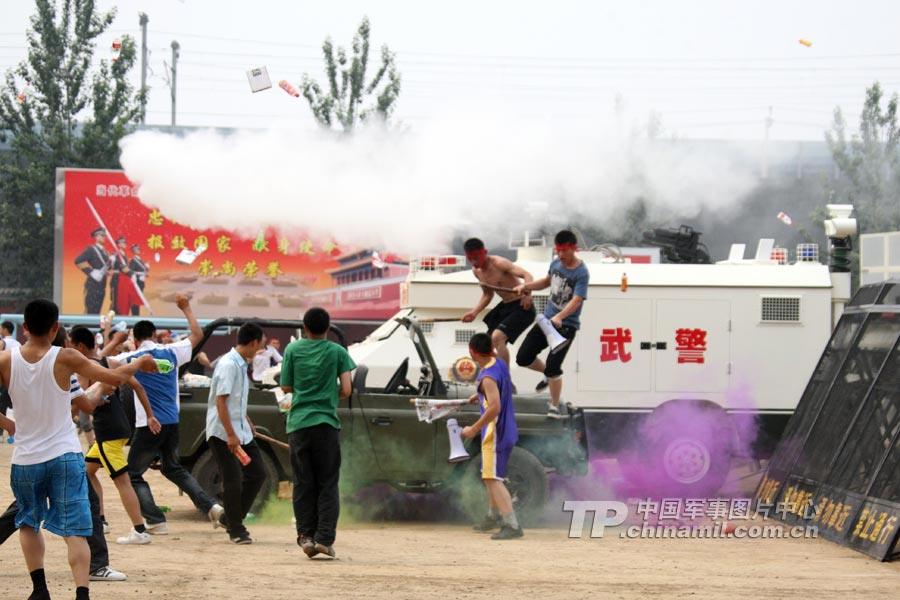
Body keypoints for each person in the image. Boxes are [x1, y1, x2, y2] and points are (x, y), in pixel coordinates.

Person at [0, 300, 156, 599]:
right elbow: (116, 378)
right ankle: (81, 593)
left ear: (25, 327)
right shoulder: (66, 357)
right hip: (64, 456)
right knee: (75, 530)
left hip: (26, 459)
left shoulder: (5, 360)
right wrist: (139, 362)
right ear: (55, 327)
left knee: (29, 524)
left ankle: (40, 589)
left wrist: (9, 424)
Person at [115, 295, 224, 534]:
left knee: (132, 474)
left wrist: (116, 342)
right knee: (173, 468)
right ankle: (211, 506)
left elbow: (105, 363)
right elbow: (198, 334)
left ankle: (155, 519)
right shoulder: (172, 351)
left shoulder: (131, 358)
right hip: (172, 422)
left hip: (149, 424)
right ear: (154, 335)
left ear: (135, 339)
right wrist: (186, 308)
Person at [69, 326, 160, 546]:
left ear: (79, 346)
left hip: (107, 431)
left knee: (122, 481)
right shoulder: (109, 363)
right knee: (87, 471)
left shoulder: (84, 369)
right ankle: (101, 520)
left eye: (71, 345)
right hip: (118, 427)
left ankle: (140, 530)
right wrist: (150, 415)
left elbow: (80, 400)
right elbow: (138, 387)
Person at [281, 307, 355, 559]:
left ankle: (306, 537)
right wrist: (329, 394)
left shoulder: (292, 350)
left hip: (299, 425)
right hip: (326, 425)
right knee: (327, 483)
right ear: (328, 327)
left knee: (303, 483)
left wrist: (305, 390)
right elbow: (347, 389)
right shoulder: (338, 352)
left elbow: (286, 385)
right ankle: (324, 538)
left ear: (305, 327)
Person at [514, 230, 590, 419]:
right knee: (523, 357)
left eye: (565, 251)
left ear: (574, 249)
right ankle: (547, 375)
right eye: (558, 250)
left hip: (566, 326)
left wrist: (560, 316)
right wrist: (526, 286)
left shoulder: (581, 272)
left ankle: (554, 405)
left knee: (554, 367)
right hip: (546, 320)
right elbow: (546, 282)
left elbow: (577, 300)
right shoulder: (556, 263)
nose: (561, 255)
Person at [206, 323, 268, 544]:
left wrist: (246, 419)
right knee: (232, 481)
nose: (261, 349)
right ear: (253, 342)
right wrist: (231, 435)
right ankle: (236, 530)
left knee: (257, 473)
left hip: (241, 430)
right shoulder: (228, 364)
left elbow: (236, 399)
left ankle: (228, 518)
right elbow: (221, 401)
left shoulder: (241, 363)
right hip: (223, 433)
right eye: (261, 345)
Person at [460, 332, 523, 540]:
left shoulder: (487, 377)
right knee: (489, 476)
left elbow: (494, 407)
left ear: (472, 352)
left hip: (495, 432)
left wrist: (473, 429)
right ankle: (493, 516)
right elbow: (496, 390)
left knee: (493, 478)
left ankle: (512, 525)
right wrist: (479, 395)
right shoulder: (499, 363)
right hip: (506, 428)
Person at [461, 238, 535, 368]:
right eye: (470, 259)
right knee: (483, 347)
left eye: (476, 258)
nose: (474, 262)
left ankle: (504, 376)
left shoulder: (499, 263)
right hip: (506, 306)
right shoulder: (476, 271)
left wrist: (527, 293)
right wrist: (474, 313)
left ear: (485, 252)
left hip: (522, 306)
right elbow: (487, 294)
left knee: (497, 337)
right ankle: (497, 371)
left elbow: (527, 275)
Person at [74, 228, 112, 314]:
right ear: (96, 236)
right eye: (102, 235)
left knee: (98, 310)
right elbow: (78, 261)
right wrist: (91, 272)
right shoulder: (91, 249)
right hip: (92, 284)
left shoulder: (106, 252)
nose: (104, 237)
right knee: (90, 310)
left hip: (102, 284)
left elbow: (107, 267)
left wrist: (111, 261)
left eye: (104, 236)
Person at [127, 243, 149, 316]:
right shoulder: (133, 260)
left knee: (138, 301)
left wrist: (145, 270)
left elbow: (142, 271)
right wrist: (140, 274)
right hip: (136, 283)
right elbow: (131, 271)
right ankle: (135, 315)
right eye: (137, 249)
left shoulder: (139, 260)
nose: (139, 250)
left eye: (139, 249)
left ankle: (136, 315)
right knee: (135, 301)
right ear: (133, 251)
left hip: (140, 283)